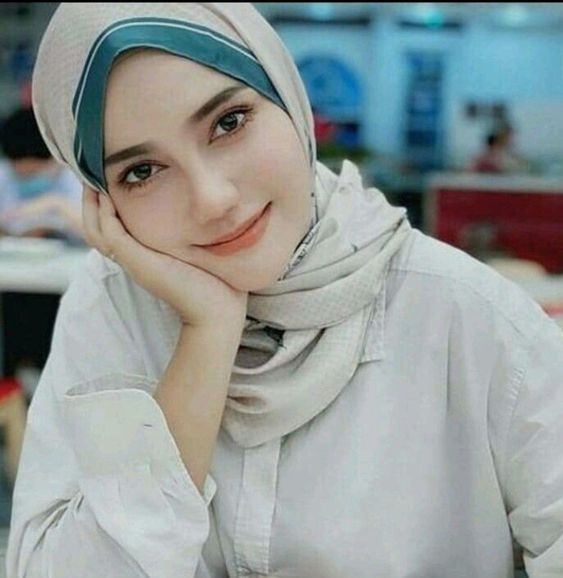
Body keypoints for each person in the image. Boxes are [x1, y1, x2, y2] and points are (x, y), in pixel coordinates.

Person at [6, 4, 563, 578]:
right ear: (102, 198)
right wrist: (207, 333)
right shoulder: (112, 307)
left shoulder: (465, 314)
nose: (213, 200)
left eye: (229, 122)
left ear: (288, 98)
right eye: (141, 172)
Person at [0, 106, 83, 240]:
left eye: (34, 173)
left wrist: (56, 204)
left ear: (57, 156)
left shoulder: (76, 177)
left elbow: (94, 232)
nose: (29, 181)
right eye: (22, 176)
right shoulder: (4, 174)